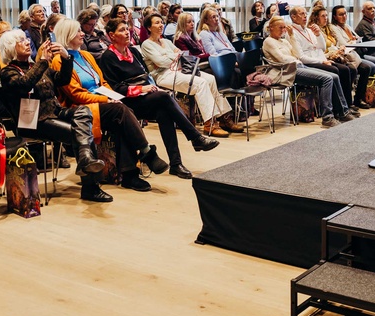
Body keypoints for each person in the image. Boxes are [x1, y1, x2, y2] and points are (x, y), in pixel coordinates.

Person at [49, 19, 171, 192]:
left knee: (121, 115)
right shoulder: (58, 61)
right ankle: (145, 154)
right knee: (121, 111)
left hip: (102, 101)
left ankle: (131, 173)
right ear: (68, 35)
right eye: (78, 31)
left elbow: (103, 82)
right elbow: (75, 95)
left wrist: (113, 96)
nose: (83, 33)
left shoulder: (86, 55)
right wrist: (106, 100)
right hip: (82, 107)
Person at [0, 29, 112, 202]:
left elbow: (63, 79)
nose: (28, 42)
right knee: (81, 133)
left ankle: (85, 160)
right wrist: (43, 61)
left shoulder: (35, 67)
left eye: (27, 39)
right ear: (10, 47)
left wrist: (66, 58)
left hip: (55, 113)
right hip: (34, 122)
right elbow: (25, 83)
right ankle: (90, 186)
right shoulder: (8, 73)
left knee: (84, 111)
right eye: (22, 40)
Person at [99, 18, 219, 179]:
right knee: (164, 97)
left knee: (164, 110)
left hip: (145, 96)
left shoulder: (133, 52)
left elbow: (146, 75)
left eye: (127, 29)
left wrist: (152, 86)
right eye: (122, 30)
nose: (127, 32)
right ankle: (195, 137)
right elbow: (115, 88)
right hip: (126, 102)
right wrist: (142, 89)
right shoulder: (108, 57)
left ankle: (176, 164)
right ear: (111, 35)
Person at [140, 13, 242, 138]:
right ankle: (210, 123)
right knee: (200, 83)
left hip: (180, 70)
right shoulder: (146, 44)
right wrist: (173, 57)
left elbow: (182, 54)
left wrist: (171, 57)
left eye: (161, 22)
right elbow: (161, 62)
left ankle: (224, 117)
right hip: (163, 75)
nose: (161, 25)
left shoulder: (166, 41)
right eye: (157, 23)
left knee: (210, 79)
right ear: (149, 28)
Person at [262, 16, 346, 127]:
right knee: (327, 79)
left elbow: (297, 54)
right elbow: (282, 59)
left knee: (334, 76)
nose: (283, 30)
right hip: (286, 72)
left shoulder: (283, 41)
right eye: (280, 27)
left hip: (297, 66)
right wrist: (296, 60)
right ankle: (327, 117)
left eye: (284, 28)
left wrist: (292, 36)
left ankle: (342, 111)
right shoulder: (268, 41)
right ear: (271, 28)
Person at [288, 6, 358, 119]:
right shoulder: (292, 32)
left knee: (345, 69)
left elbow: (321, 47)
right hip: (308, 63)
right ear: (294, 17)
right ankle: (337, 109)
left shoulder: (309, 30)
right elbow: (301, 57)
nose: (305, 16)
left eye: (306, 13)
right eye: (301, 14)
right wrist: (322, 61)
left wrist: (318, 35)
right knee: (334, 71)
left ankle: (347, 105)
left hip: (321, 59)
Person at [313, 6, 374, 109]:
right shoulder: (326, 29)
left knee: (366, 68)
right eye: (323, 16)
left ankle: (357, 99)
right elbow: (325, 49)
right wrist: (350, 43)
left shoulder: (330, 28)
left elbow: (345, 43)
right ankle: (346, 103)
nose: (325, 18)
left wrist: (346, 45)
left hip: (342, 54)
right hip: (328, 57)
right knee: (350, 69)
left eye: (326, 15)